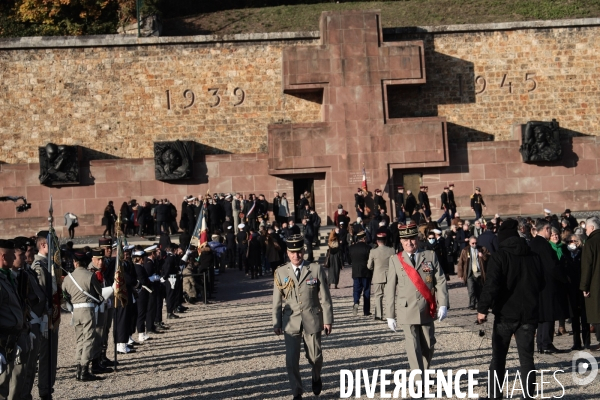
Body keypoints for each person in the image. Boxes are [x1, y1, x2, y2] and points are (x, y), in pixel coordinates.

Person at [476, 218, 543, 400]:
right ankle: (528, 396)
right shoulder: (533, 256)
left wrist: (482, 309)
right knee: (527, 359)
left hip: (505, 314)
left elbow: (491, 285)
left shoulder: (499, 257)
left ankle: (494, 395)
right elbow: (541, 284)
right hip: (528, 314)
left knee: (498, 358)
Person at [384, 223, 449, 380]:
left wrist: (444, 304)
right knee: (413, 346)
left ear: (417, 239)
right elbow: (390, 288)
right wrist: (390, 314)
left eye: (411, 239)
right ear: (401, 241)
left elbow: (440, 280)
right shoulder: (395, 260)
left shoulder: (430, 256)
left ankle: (424, 373)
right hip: (406, 310)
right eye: (405, 240)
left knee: (429, 344)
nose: (409, 243)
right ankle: (419, 380)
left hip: (427, 307)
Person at [272, 234, 333, 400]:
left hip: (312, 319)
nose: (296, 255)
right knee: (292, 360)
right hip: (290, 322)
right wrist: (276, 322)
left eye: (298, 252)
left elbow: (326, 298)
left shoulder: (315, 269)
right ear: (287, 252)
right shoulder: (280, 272)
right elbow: (276, 302)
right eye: (292, 252)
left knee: (315, 357)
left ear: (303, 251)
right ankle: (297, 391)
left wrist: (328, 320)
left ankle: (316, 376)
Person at [62, 251, 105, 381]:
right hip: (87, 309)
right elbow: (99, 293)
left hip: (75, 311)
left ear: (75, 262)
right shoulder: (90, 275)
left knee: (79, 339)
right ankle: (84, 369)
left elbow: (64, 295)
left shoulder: (68, 278)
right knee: (89, 339)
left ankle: (78, 369)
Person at [530, 219, 569, 354]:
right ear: (546, 229)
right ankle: (546, 343)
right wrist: (564, 278)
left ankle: (541, 343)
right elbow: (552, 266)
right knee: (548, 314)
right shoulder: (544, 245)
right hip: (547, 284)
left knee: (542, 315)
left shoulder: (533, 243)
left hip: (537, 284)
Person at [0, 240, 26, 399]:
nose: (14, 257)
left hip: (13, 339)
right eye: (11, 255)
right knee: (2, 387)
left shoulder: (8, 277)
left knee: (15, 382)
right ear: (3, 256)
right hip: (2, 341)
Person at [565, 234, 591, 350]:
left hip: (582, 287)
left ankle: (586, 341)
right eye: (570, 241)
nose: (572, 242)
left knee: (585, 316)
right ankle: (576, 342)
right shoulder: (566, 254)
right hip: (571, 289)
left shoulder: (583, 253)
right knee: (574, 317)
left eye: (574, 241)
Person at [581, 216, 600, 349]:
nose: (585, 231)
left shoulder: (590, 242)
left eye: (586, 228)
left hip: (595, 283)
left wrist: (584, 286)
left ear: (592, 228)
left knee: (597, 311)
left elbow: (586, 266)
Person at [368, 229, 395, 321]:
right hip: (389, 276)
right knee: (389, 297)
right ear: (385, 240)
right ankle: (389, 315)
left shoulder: (373, 251)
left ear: (377, 241)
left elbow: (369, 266)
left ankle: (379, 315)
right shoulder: (392, 250)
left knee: (378, 296)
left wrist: (374, 269)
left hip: (378, 276)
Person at [457, 236, 490, 310]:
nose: (474, 244)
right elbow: (460, 262)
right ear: (469, 243)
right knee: (471, 290)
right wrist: (460, 274)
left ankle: (479, 304)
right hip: (470, 273)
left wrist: (483, 256)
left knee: (479, 290)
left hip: (480, 273)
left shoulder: (482, 249)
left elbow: (489, 257)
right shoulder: (465, 250)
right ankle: (472, 304)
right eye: (473, 243)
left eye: (476, 243)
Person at [348, 231, 372, 317]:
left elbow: (348, 260)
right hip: (366, 272)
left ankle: (356, 302)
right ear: (364, 238)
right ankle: (366, 311)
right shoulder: (368, 247)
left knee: (356, 290)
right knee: (366, 291)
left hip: (356, 271)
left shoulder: (352, 248)